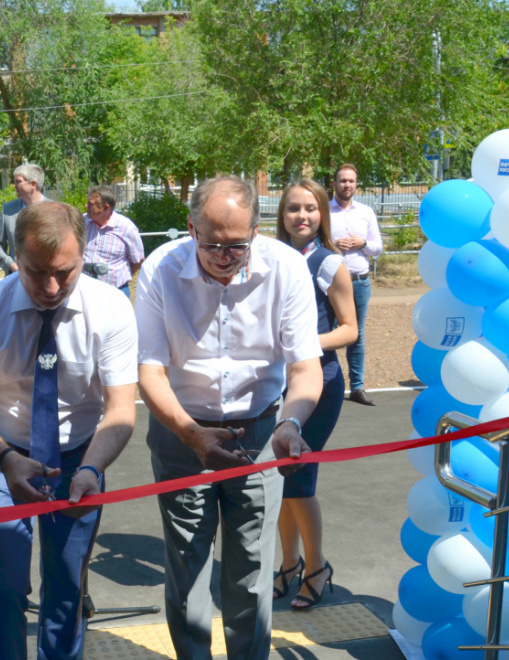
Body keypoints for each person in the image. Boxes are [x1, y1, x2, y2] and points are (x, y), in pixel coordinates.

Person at [134, 175, 323, 660]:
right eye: (211, 244)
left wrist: (290, 424)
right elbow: (149, 372)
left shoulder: (286, 268)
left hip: (261, 432)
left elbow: (305, 369)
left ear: (257, 230)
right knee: (187, 566)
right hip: (181, 430)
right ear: (190, 227)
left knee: (252, 570)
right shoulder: (160, 269)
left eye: (236, 245)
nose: (223, 256)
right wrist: (190, 433)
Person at [0, 200, 138, 660]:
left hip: (79, 459)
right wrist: (6, 458)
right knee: (6, 585)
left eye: (65, 273)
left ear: (84, 253)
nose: (51, 287)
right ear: (15, 255)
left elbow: (120, 411)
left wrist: (92, 467)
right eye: (36, 273)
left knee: (67, 586)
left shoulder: (111, 308)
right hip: (0, 454)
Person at [273, 179, 359, 610]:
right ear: (281, 214)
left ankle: (316, 567)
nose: (301, 216)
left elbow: (350, 328)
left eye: (310, 208)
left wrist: (302, 345)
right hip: (277, 386)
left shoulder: (328, 263)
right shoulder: (271, 258)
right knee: (279, 481)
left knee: (300, 481)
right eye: (293, 208)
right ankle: (288, 564)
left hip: (320, 386)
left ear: (322, 214)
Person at [329, 163, 382, 406]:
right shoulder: (323, 211)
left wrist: (362, 243)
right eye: (342, 181)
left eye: (350, 181)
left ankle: (357, 387)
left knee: (356, 335)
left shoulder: (366, 212)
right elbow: (313, 244)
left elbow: (378, 248)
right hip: (329, 283)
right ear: (334, 184)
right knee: (326, 334)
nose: (347, 185)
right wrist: (333, 245)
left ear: (356, 184)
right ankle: (324, 384)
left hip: (359, 282)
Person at [84, 184, 145, 297]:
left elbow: (138, 259)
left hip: (116, 292)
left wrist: (119, 277)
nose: (85, 205)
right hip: (85, 290)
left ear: (106, 208)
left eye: (91, 204)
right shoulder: (81, 222)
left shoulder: (126, 227)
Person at [0, 163, 48, 275]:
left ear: (33, 184)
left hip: (46, 276)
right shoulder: (8, 210)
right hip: (16, 277)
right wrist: (11, 265)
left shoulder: (54, 210)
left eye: (18, 181)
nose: (14, 185)